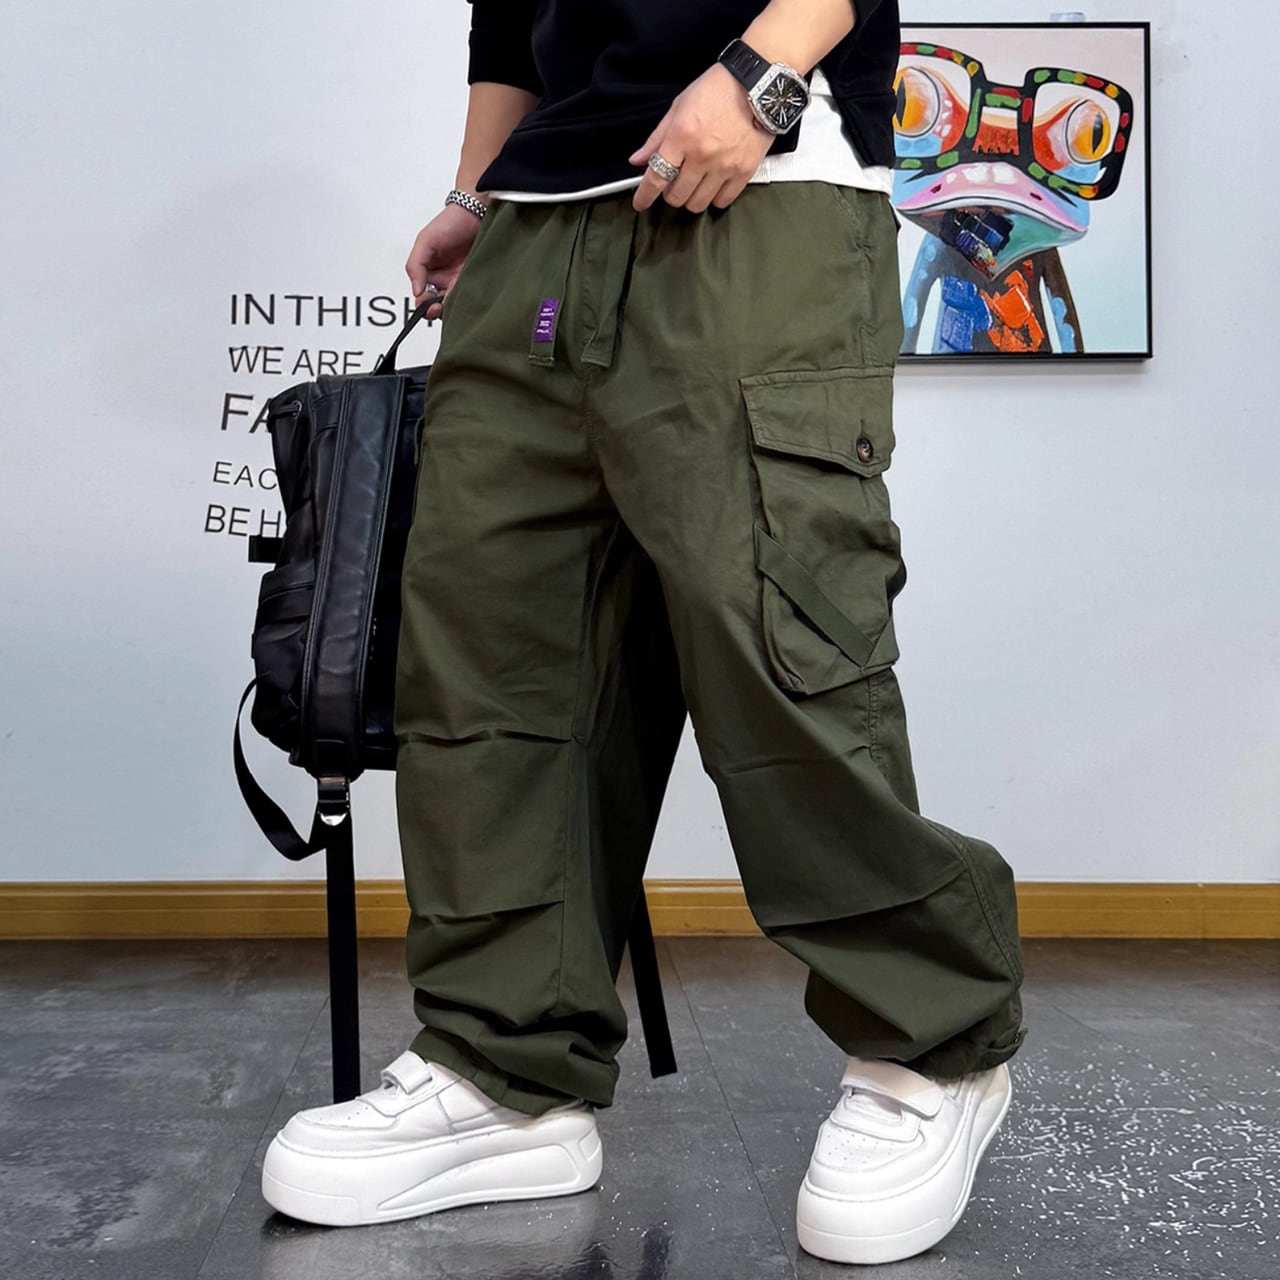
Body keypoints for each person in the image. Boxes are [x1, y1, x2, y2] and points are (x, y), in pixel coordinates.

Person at [260, 0, 1028, 1265]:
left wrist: (761, 73)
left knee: (772, 636)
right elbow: (507, 20)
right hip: (535, 226)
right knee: (490, 654)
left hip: (754, 180)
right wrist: (476, 192)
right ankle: (504, 1066)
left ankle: (929, 1045)